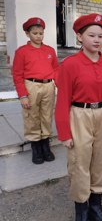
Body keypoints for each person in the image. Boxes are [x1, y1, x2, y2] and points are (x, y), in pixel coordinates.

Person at [55, 13, 102, 221]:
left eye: (100, 35)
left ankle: (96, 204)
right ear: (79, 37)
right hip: (80, 115)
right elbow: (62, 101)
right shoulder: (70, 65)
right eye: (91, 35)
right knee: (80, 161)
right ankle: (82, 208)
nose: (97, 40)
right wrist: (64, 133)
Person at [12, 17, 58, 164]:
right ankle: (36, 146)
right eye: (35, 33)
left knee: (46, 114)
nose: (38, 36)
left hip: (48, 86)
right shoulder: (22, 52)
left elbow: (56, 69)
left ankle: (45, 143)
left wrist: (60, 86)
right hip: (31, 86)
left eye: (41, 33)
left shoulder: (50, 50)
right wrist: (23, 95)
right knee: (31, 116)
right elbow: (17, 74)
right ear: (27, 34)